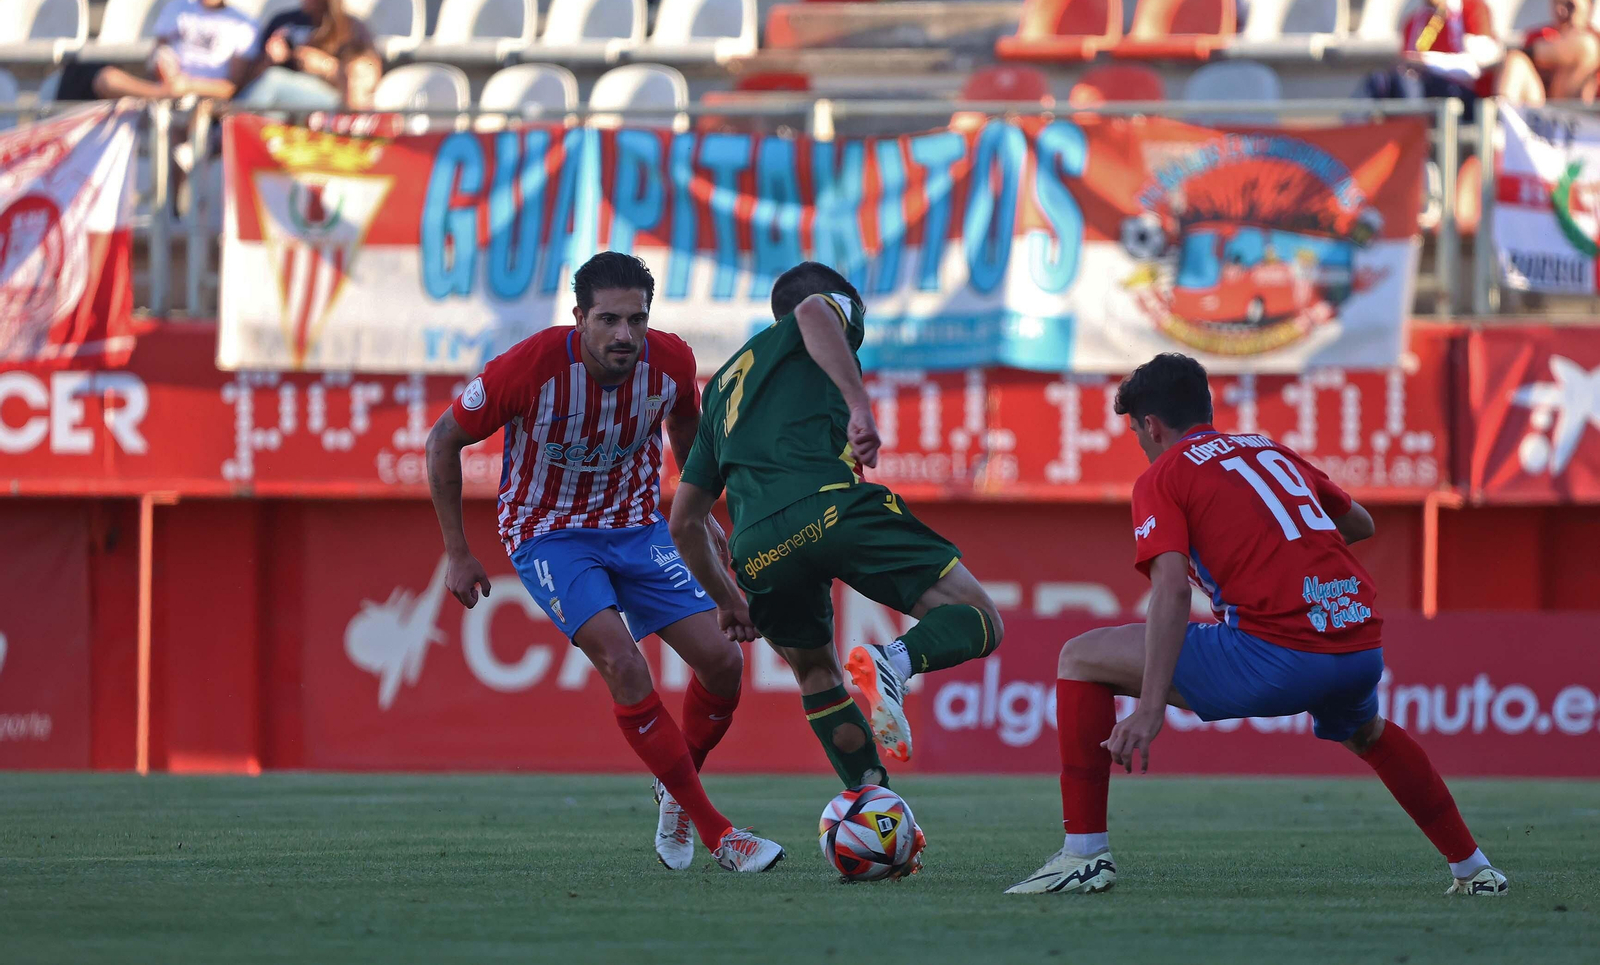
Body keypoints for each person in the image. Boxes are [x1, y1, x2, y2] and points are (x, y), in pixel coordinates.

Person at [1006, 353, 1507, 897]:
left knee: (1081, 657)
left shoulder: (1164, 474)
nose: (1142, 445)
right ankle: (1474, 869)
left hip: (1276, 656)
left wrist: (1149, 709)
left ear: (1151, 425)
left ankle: (1083, 855)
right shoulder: (1268, 450)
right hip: (1358, 644)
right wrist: (1283, 562)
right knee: (1367, 732)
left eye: (1136, 434)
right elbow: (1359, 523)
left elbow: (1171, 590)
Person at [424, 252, 783, 874]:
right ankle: (720, 834)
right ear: (579, 318)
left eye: (636, 320)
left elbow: (687, 433)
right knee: (624, 662)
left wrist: (699, 513)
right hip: (549, 534)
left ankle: (675, 791)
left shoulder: (671, 362)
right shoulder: (530, 366)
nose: (624, 334)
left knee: (724, 662)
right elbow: (442, 441)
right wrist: (457, 552)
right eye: (609, 320)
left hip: (638, 528)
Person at [668, 261, 1003, 818]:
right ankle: (894, 660)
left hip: (758, 549)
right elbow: (810, 310)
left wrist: (729, 601)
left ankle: (875, 808)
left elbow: (684, 521)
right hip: (830, 506)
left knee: (816, 675)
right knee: (981, 618)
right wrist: (860, 405)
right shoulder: (827, 307)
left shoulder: (722, 387)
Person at [56, 0, 258, 102]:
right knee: (104, 78)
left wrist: (188, 86)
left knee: (186, 111)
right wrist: (163, 64)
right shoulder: (177, 9)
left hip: (204, 98)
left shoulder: (243, 25)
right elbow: (158, 53)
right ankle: (160, 98)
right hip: (163, 89)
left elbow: (230, 88)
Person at [236, 0, 381, 110]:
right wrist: (268, 60)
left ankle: (231, 120)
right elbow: (249, 80)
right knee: (271, 92)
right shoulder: (283, 21)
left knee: (274, 79)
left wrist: (325, 65)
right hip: (282, 102)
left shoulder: (350, 27)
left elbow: (369, 74)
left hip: (332, 99)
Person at [1357, 0, 1501, 110]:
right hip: (1424, 89)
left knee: (1407, 83)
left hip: (1465, 95)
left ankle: (1412, 129)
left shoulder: (1472, 5)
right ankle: (1353, 126)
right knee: (1379, 79)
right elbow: (1408, 66)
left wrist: (1426, 61)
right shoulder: (1414, 22)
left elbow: (1475, 67)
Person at [1499, 0, 1600, 105]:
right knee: (1515, 60)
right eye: (1557, 2)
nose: (1561, 10)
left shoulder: (1594, 40)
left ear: (1589, 5)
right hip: (1539, 106)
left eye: (1570, 4)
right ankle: (1502, 112)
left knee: (1586, 45)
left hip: (1580, 110)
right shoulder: (1540, 36)